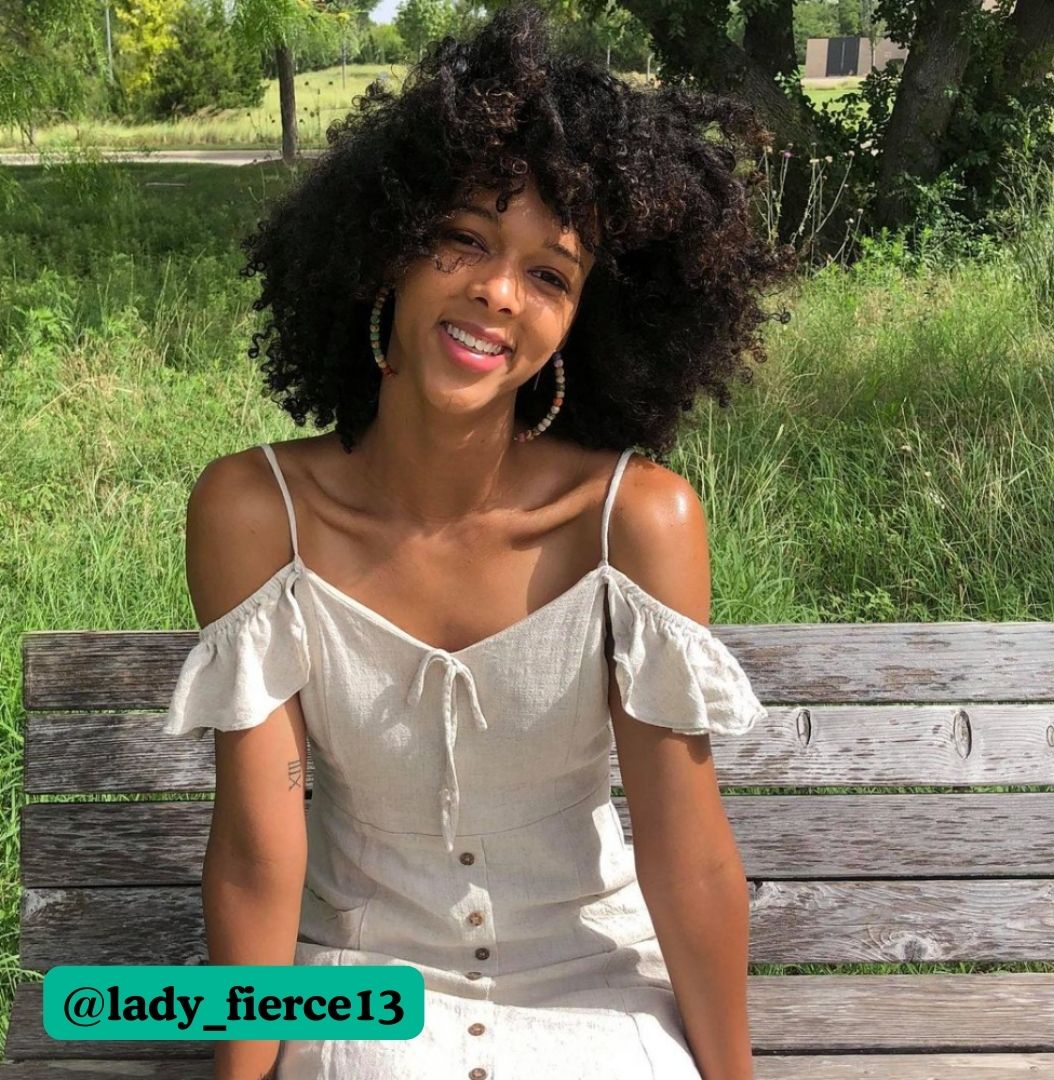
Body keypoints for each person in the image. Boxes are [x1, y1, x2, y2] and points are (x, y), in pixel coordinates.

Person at [163, 3, 795, 1078]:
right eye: (463, 238)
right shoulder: (253, 511)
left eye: (550, 274)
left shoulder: (636, 524)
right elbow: (259, 854)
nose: (499, 294)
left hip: (597, 994)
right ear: (388, 250)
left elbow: (686, 857)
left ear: (581, 321)